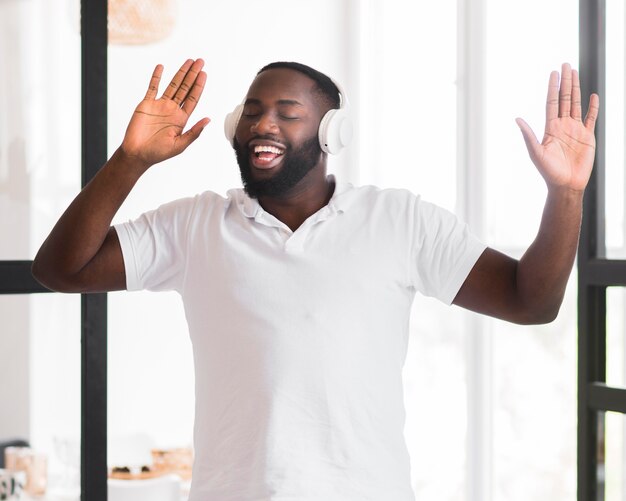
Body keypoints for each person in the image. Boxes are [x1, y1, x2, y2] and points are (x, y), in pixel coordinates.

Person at [32, 58, 599, 500]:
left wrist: (566, 193)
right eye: (251, 110)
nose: (262, 124)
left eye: (286, 111)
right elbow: (60, 268)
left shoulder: (398, 220)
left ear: (332, 132)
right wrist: (131, 160)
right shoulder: (195, 223)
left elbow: (533, 301)